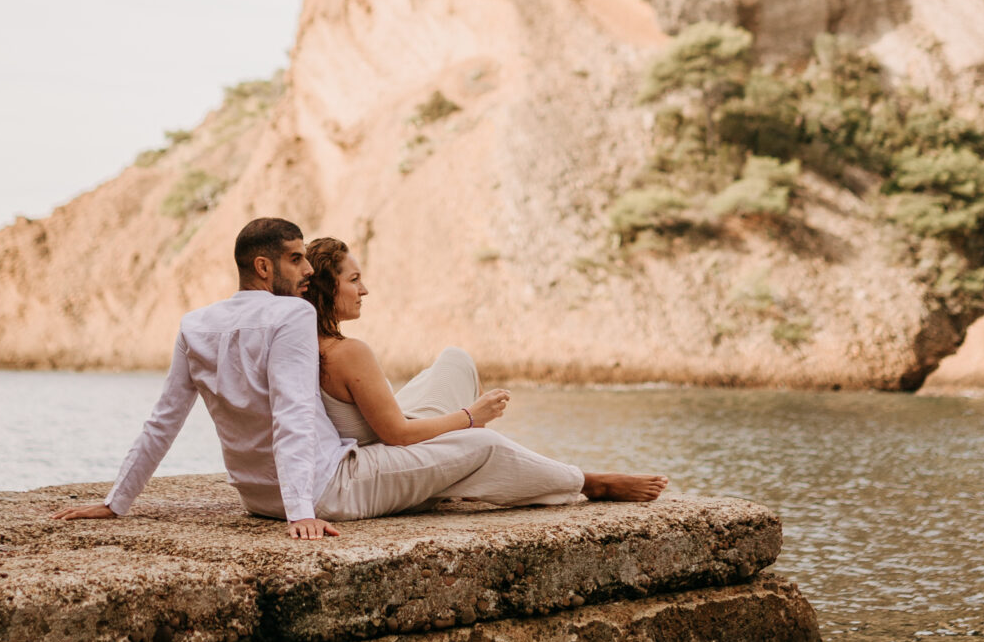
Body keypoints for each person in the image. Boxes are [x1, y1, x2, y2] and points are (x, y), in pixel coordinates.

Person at [55, 215, 664, 540]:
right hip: (325, 490)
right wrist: (301, 511)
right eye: (295, 258)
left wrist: (116, 502)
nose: (305, 271)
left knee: (447, 374)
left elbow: (164, 420)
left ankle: (447, 477)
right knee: (482, 443)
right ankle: (587, 482)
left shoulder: (196, 324)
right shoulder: (294, 316)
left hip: (256, 495)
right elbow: (293, 412)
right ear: (264, 266)